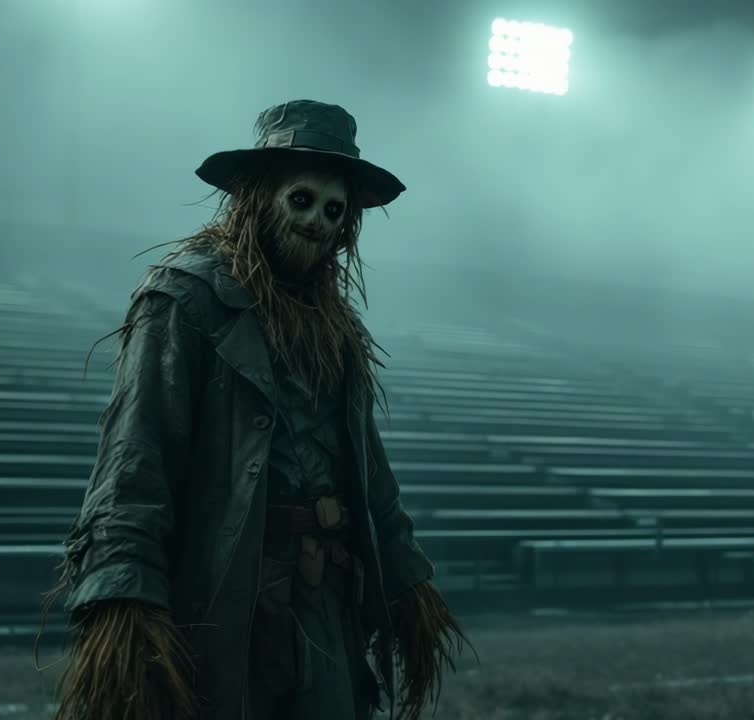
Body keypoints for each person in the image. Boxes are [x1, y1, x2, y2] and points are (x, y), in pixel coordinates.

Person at [39, 100, 471, 720]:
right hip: (224, 599)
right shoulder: (185, 299)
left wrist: (407, 579)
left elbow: (367, 470)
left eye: (334, 210)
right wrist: (124, 597)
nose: (318, 222)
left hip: (325, 605)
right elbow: (137, 459)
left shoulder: (336, 330)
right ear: (258, 197)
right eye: (302, 200)